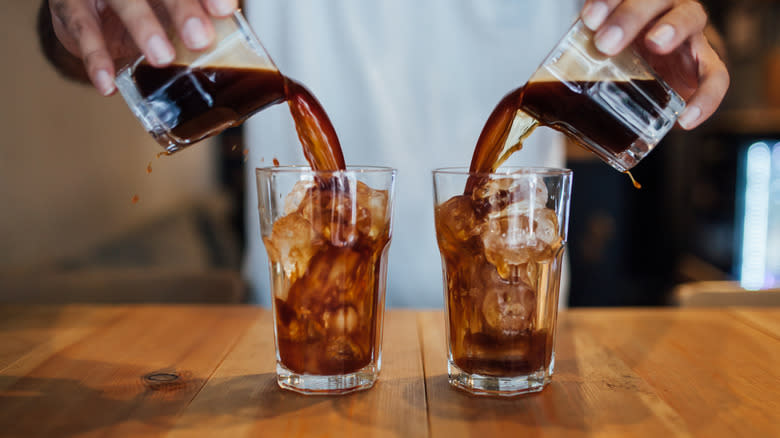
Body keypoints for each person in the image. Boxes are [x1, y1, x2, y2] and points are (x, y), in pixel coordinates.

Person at [39, 0, 729, 307]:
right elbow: (77, 43)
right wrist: (80, 23)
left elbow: (673, 36)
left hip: (517, 337)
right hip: (285, 342)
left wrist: (690, 48)